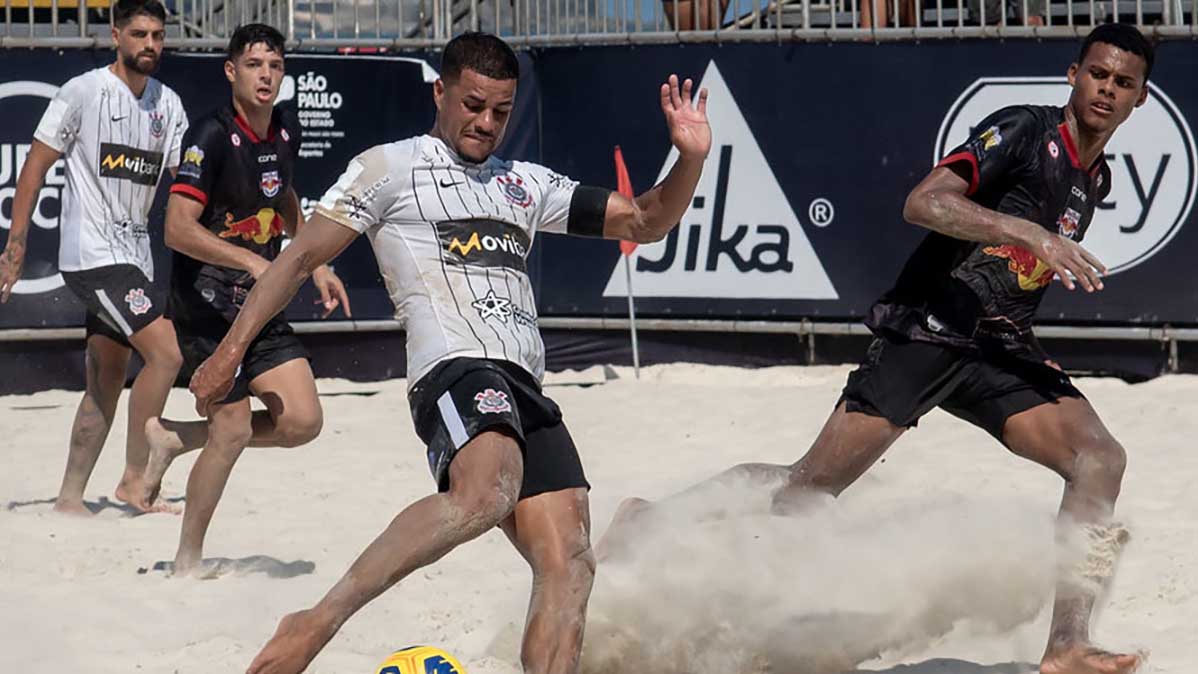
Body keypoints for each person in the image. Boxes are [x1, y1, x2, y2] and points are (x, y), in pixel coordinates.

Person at [598, 23, 1151, 674]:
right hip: (929, 330)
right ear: (1072, 75)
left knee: (1099, 458)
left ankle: (1066, 646)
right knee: (808, 490)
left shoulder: (1096, 177)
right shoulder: (1025, 131)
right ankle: (648, 520)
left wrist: (1026, 335)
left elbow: (1011, 277)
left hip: (997, 349)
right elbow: (925, 202)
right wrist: (1027, 231)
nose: (1106, 90)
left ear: (1141, 98)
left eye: (1123, 83)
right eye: (1097, 74)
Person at [188, 31, 710, 674]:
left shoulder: (524, 181)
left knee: (571, 561)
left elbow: (645, 220)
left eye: (500, 111)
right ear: (441, 92)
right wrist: (230, 353)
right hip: (454, 365)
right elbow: (296, 259)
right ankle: (317, 620)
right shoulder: (391, 167)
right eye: (472, 104)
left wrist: (687, 159)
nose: (486, 123)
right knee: (488, 489)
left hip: (526, 382)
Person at [143, 23, 350, 575]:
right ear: (232, 70)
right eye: (255, 64)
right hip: (205, 304)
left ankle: (177, 437)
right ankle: (186, 561)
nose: (267, 75)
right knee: (232, 430)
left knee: (303, 422)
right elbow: (176, 229)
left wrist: (317, 260)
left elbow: (282, 196)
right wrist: (254, 260)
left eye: (276, 66)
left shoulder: (283, 130)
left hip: (258, 304)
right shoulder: (208, 136)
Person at [0, 0, 187, 516]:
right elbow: (35, 168)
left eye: (157, 35)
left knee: (105, 379)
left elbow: (182, 188)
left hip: (136, 256)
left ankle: (68, 498)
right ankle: (132, 480)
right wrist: (15, 248)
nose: (150, 45)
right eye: (140, 34)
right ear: (116, 35)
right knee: (167, 355)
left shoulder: (168, 104)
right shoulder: (82, 91)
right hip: (92, 255)